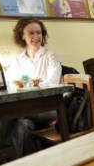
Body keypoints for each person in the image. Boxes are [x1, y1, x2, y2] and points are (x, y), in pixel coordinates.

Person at [4, 17, 62, 158]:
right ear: (22, 36)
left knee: (10, 115)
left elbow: (52, 82)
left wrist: (29, 85)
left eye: (39, 32)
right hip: (28, 108)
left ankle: (9, 161)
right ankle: (28, 163)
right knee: (23, 124)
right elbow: (11, 84)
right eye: (31, 33)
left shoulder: (50, 55)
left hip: (50, 106)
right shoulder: (17, 60)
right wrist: (31, 84)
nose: (36, 37)